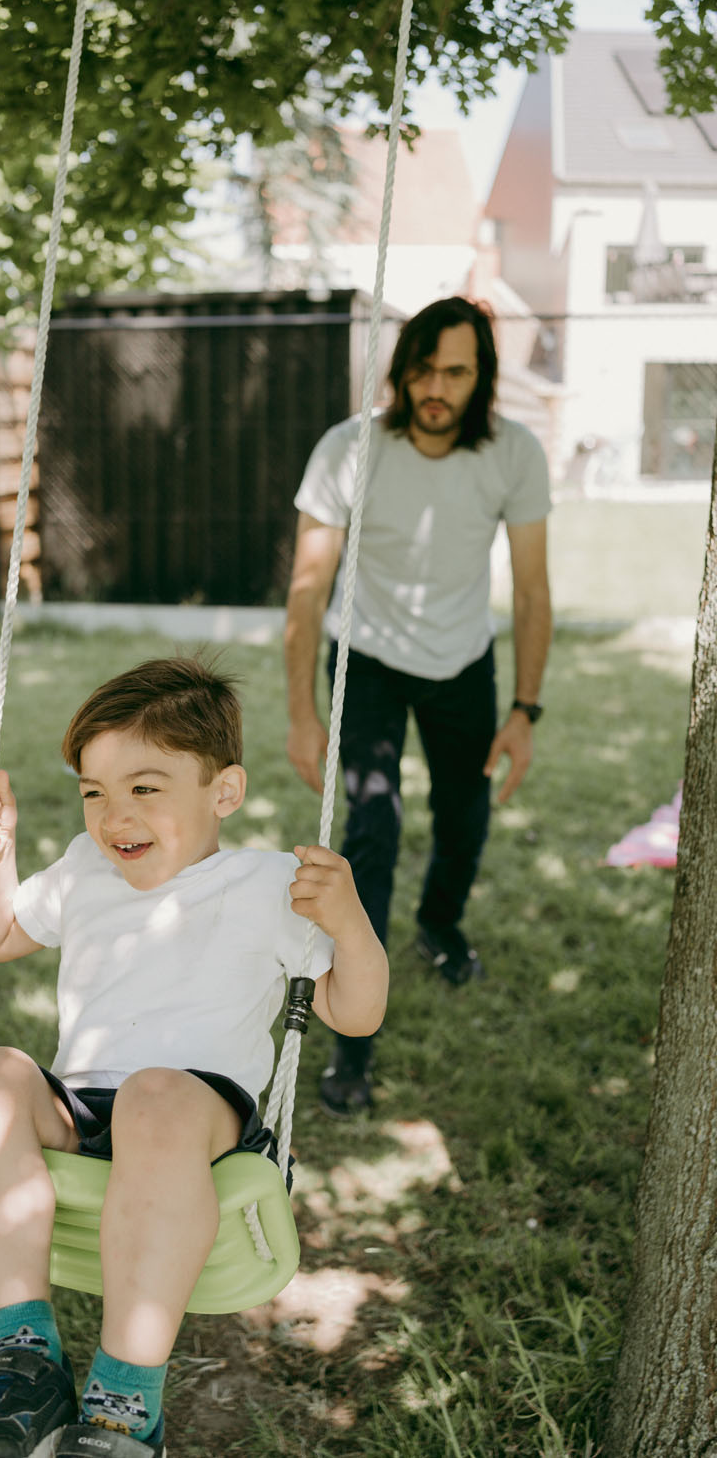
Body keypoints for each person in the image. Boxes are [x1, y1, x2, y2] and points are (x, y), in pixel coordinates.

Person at [0, 656, 388, 1458]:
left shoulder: (267, 883)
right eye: (94, 791)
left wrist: (349, 923)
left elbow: (356, 1008)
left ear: (224, 793)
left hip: (193, 1111)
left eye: (145, 787)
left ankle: (123, 1400)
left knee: (153, 1097)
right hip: (83, 1101)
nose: (114, 816)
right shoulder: (85, 866)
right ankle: (23, 1363)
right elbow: (0, 936)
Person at [284, 295, 551, 1120]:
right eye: (423, 368)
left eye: (457, 371)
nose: (437, 387)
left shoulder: (514, 453)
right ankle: (351, 1043)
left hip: (463, 661)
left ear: (483, 376)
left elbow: (536, 591)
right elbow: (307, 586)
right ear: (401, 370)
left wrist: (526, 710)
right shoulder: (349, 446)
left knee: (465, 815)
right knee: (374, 828)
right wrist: (301, 709)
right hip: (366, 657)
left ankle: (439, 926)